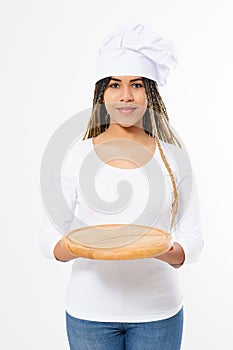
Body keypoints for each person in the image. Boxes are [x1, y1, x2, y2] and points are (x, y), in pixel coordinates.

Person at [40, 23, 204, 350]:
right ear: (102, 93)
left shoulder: (172, 157)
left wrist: (164, 250)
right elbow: (48, 237)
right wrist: (80, 246)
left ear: (150, 94)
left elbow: (193, 236)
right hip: (89, 313)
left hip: (158, 312)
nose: (126, 96)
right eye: (115, 85)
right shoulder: (77, 155)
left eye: (137, 85)